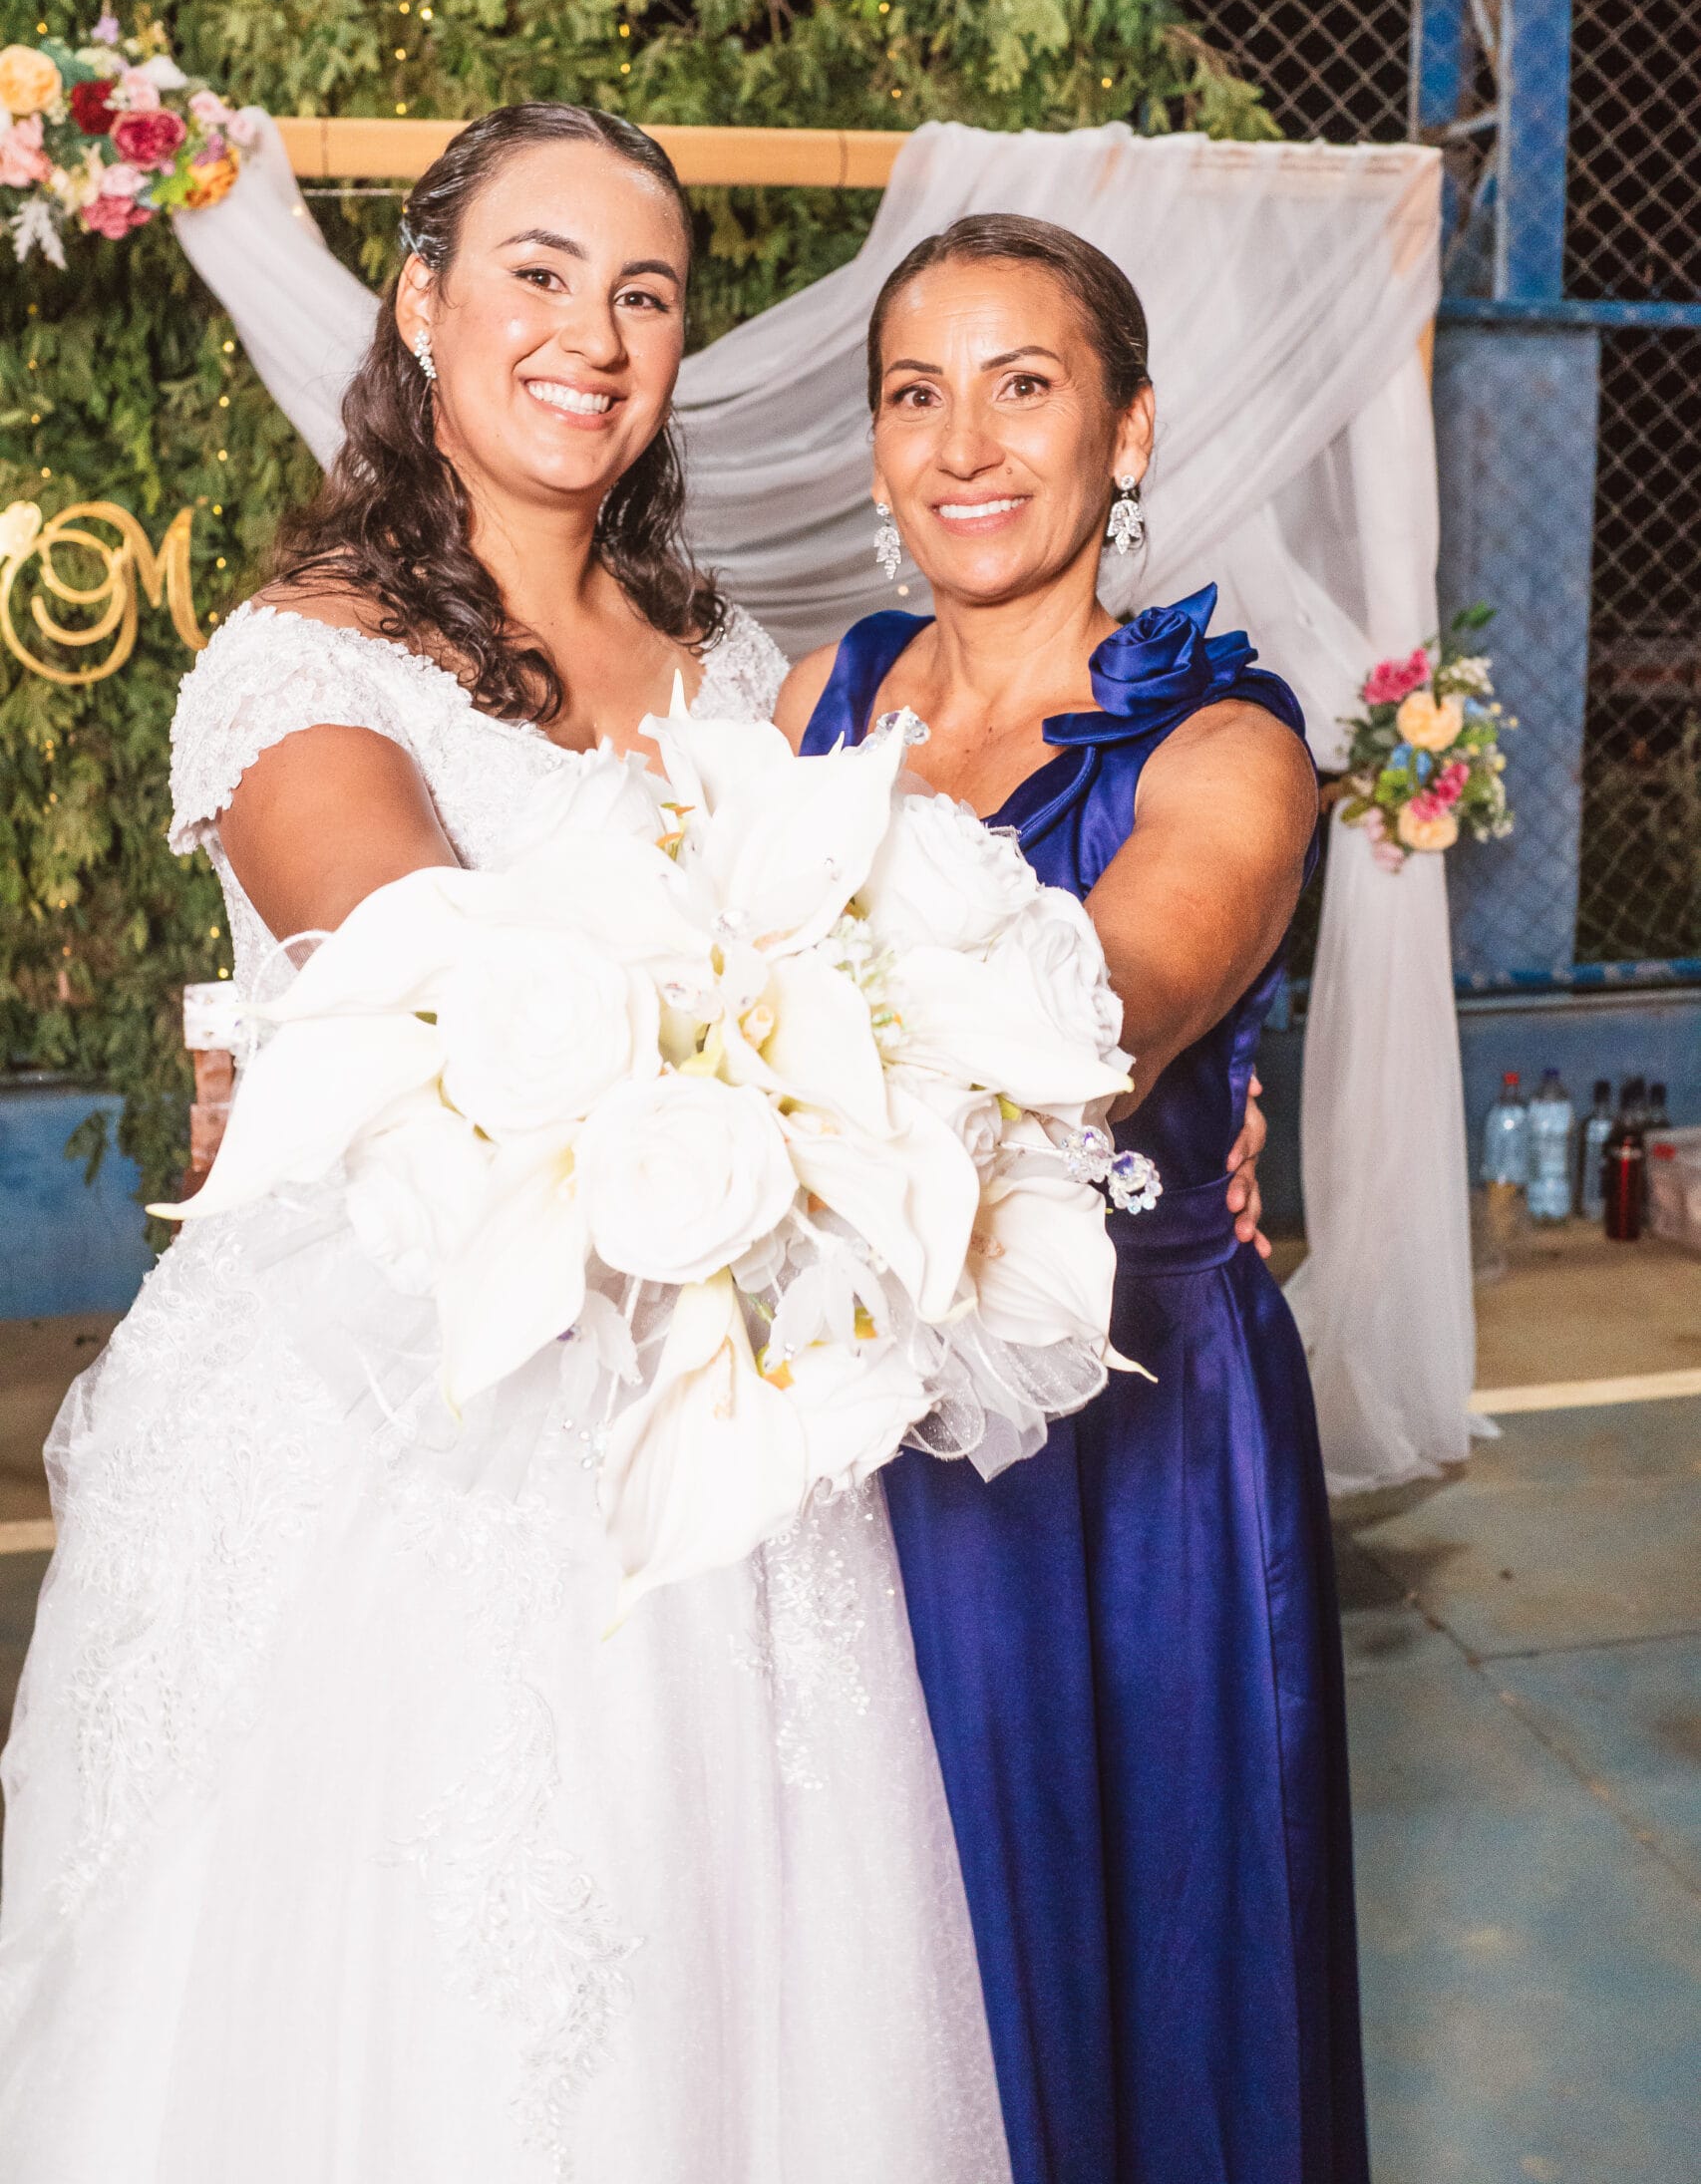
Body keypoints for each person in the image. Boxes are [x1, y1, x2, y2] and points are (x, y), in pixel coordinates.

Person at [0, 108, 1010, 2184]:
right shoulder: (303, 665)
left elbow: (881, 971)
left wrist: (1007, 1091)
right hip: (398, 1448)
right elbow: (438, 993)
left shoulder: (733, 669)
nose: (592, 335)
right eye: (538, 274)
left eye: (644, 294)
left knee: (729, 2006)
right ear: (422, 300)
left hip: (706, 1438)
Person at [777, 212, 1371, 2184]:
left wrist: (716, 1041)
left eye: (1021, 387)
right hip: (847, 1414)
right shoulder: (816, 701)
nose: (962, 444)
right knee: (885, 1950)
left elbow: (1090, 1024)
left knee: (1160, 1961)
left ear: (1126, 432)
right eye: (914, 395)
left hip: (1132, 1431)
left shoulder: (1225, 741)